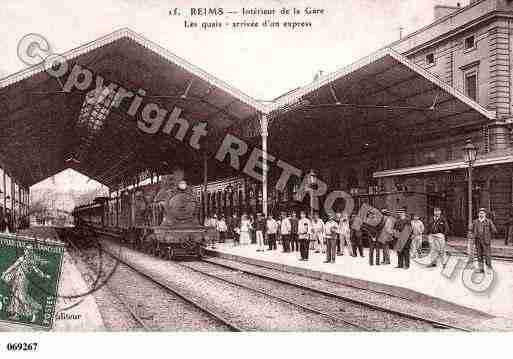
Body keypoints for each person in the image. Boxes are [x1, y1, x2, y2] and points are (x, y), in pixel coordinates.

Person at [472, 208, 497, 273]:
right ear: (478, 214)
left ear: (485, 214)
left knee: (487, 255)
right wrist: (473, 237)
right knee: (479, 255)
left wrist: (489, 235)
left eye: (482, 213)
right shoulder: (475, 221)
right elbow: (472, 230)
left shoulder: (488, 221)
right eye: (480, 213)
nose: (481, 214)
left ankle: (489, 268)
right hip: (477, 241)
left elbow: (494, 230)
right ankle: (481, 269)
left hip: (486, 241)